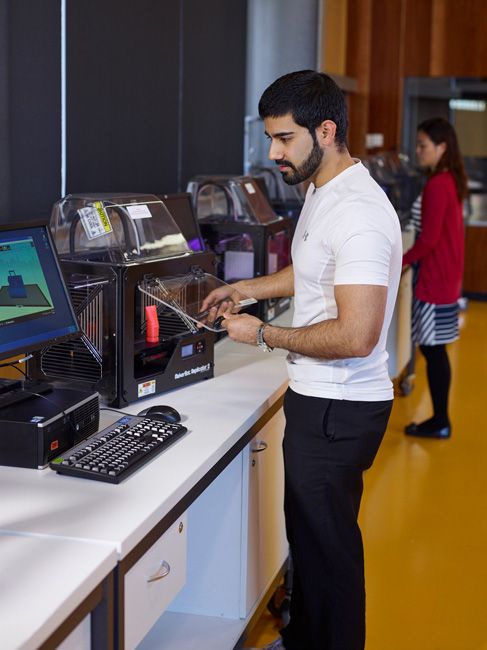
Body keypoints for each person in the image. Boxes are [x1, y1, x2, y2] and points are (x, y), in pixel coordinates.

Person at [199, 70, 402, 650]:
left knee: (330, 555)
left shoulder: (359, 212)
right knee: (309, 543)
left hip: (340, 409)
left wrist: (263, 335)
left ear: (327, 130)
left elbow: (357, 335)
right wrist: (249, 290)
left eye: (284, 139)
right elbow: (312, 272)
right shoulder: (323, 191)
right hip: (318, 400)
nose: (273, 153)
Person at [403, 118, 468, 440]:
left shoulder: (438, 184)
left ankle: (440, 420)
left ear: (442, 147)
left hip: (434, 281)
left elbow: (427, 240)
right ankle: (440, 419)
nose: (418, 151)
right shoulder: (449, 180)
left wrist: (396, 263)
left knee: (433, 350)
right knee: (434, 349)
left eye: (423, 145)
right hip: (444, 278)